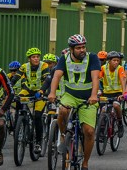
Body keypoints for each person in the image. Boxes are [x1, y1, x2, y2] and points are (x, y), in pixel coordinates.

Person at [48, 34, 101, 170]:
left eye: (83, 47)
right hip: (70, 95)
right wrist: (52, 93)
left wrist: (94, 95)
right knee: (63, 110)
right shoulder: (64, 59)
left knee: (89, 132)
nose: (82, 50)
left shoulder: (93, 58)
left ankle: (85, 163)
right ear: (71, 49)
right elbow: (57, 76)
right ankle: (63, 135)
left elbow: (96, 78)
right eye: (78, 48)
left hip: (88, 97)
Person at [10, 47, 50, 154]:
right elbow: (15, 78)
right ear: (29, 59)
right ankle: (20, 121)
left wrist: (42, 91)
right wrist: (9, 90)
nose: (36, 59)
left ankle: (38, 142)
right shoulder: (24, 67)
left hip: (40, 92)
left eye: (37, 57)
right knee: (18, 98)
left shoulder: (44, 65)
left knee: (37, 116)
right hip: (28, 90)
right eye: (33, 57)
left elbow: (47, 79)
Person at [99, 51, 127, 137]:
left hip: (117, 93)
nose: (116, 62)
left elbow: (123, 80)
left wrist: (124, 93)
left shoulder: (120, 68)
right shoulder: (103, 68)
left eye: (118, 60)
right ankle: (101, 131)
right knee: (103, 110)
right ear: (109, 61)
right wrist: (97, 91)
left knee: (116, 105)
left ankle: (120, 124)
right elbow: (97, 79)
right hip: (106, 94)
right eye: (114, 60)